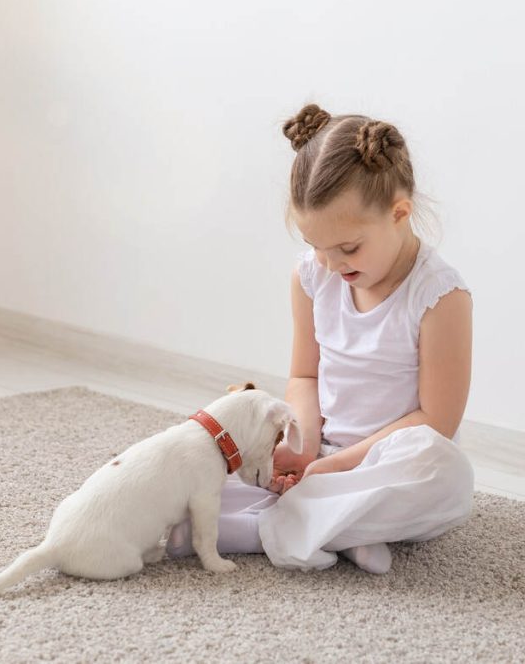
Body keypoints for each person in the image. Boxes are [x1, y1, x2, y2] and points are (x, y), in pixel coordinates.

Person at [165, 103, 475, 573]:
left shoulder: (439, 296)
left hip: (379, 463)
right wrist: (304, 443)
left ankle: (258, 530)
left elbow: (436, 421)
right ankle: (340, 528)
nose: (331, 264)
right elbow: (304, 375)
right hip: (321, 454)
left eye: (348, 248)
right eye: (316, 247)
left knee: (443, 470)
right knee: (209, 448)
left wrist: (337, 467)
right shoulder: (314, 276)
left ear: (399, 212)